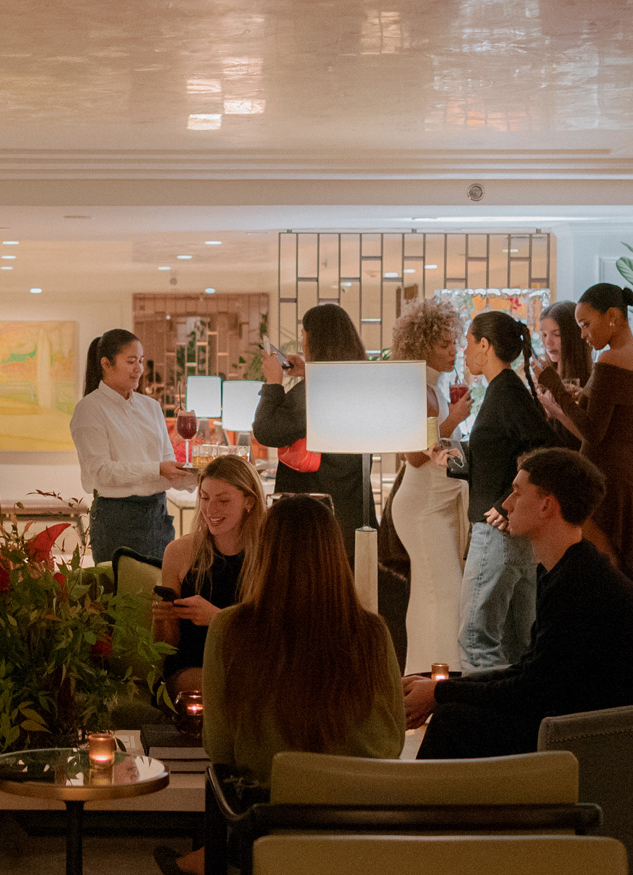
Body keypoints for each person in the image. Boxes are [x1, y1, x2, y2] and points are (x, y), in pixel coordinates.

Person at [408, 447, 633, 758]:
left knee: (454, 720)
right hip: (581, 715)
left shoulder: (579, 583)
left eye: (517, 493)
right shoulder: (567, 570)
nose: (506, 503)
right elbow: (531, 671)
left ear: (547, 505)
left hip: (609, 736)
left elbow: (534, 687)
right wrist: (440, 687)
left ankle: (423, 804)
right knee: (453, 712)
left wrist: (441, 692)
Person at [202, 493, 406, 781]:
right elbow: (395, 738)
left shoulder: (229, 628)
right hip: (365, 808)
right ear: (335, 551)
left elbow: (220, 748)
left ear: (263, 551)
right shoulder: (372, 631)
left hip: (274, 810)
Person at [535, 282, 633, 610]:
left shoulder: (609, 361)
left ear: (613, 317)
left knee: (606, 576)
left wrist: (554, 387)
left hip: (607, 482)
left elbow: (593, 433)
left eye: (586, 324)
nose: (582, 334)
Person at [453, 310, 555, 671]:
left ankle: (484, 725)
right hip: (508, 534)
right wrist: (451, 458)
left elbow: (544, 450)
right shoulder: (503, 391)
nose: (464, 352)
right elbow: (503, 457)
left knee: (476, 641)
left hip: (496, 532)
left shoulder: (507, 392)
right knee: (518, 645)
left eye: (467, 343)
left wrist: (506, 502)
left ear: (485, 345)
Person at [383, 296, 469, 676]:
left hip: (434, 503)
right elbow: (414, 454)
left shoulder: (435, 385)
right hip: (421, 508)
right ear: (421, 345)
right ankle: (437, 681)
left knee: (431, 595)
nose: (453, 351)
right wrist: (456, 422)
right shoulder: (416, 388)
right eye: (444, 344)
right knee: (444, 594)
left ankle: (424, 676)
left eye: (454, 343)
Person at [250, 302, 377, 535]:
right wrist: (309, 370)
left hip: (315, 514)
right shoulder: (359, 381)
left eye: (304, 337)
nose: (303, 345)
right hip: (353, 510)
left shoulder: (318, 390)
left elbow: (267, 430)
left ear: (316, 342)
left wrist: (273, 382)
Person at [71, 329, 193, 564]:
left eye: (140, 361)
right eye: (130, 362)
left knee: (160, 594)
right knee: (122, 596)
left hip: (157, 515)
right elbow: (101, 472)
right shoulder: (90, 409)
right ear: (106, 364)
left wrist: (199, 475)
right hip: (117, 518)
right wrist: (156, 469)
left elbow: (167, 465)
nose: (139, 369)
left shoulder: (151, 407)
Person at [153, 454, 264, 697]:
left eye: (223, 500)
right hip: (190, 670)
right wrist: (163, 619)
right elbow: (166, 651)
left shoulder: (268, 555)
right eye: (204, 498)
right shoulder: (180, 552)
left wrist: (216, 618)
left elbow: (272, 637)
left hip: (249, 668)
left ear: (249, 501)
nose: (210, 509)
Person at [535, 304, 593, 445]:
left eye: (557, 335)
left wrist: (555, 411)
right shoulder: (541, 382)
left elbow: (591, 440)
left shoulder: (588, 385)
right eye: (544, 335)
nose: (548, 342)